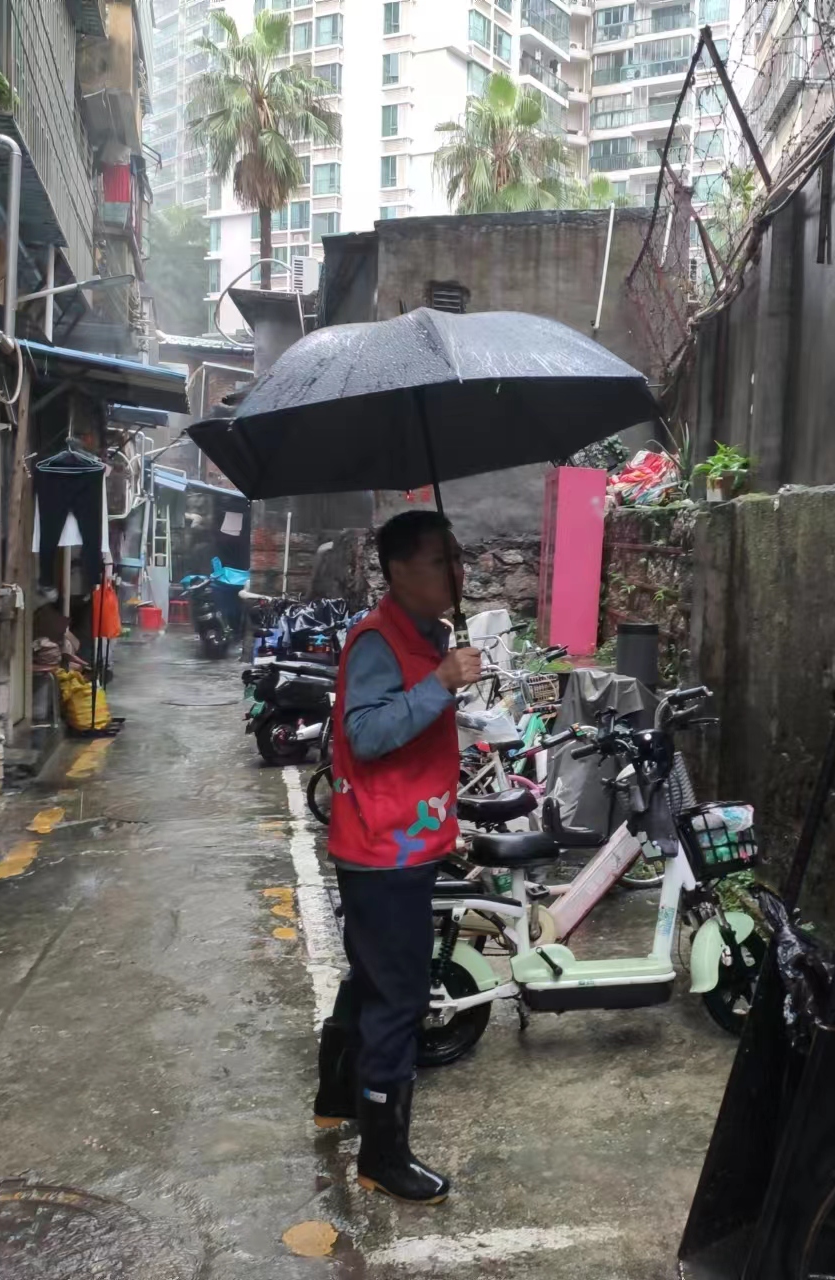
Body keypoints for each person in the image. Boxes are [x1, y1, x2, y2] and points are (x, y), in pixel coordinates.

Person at [312, 511, 481, 1204]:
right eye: (442, 560)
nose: (456, 572)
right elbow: (366, 732)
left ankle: (336, 1097)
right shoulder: (377, 641)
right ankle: (383, 1157)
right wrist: (440, 682)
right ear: (400, 570)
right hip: (383, 851)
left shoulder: (427, 633)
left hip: (401, 841)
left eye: (457, 558)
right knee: (400, 998)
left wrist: (444, 674)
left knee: (372, 978)